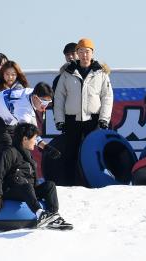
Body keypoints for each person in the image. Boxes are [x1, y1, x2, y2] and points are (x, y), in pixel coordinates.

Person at [0, 123, 72, 230]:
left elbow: (31, 179)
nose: (35, 143)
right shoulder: (8, 152)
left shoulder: (28, 155)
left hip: (25, 190)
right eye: (34, 139)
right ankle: (40, 214)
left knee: (50, 185)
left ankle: (54, 216)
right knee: (26, 186)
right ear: (25, 139)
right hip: (8, 190)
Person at [54, 38, 114, 186]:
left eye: (87, 51)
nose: (84, 55)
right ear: (77, 53)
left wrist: (104, 118)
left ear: (92, 53)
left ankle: (92, 183)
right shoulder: (67, 73)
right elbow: (59, 97)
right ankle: (68, 185)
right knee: (70, 153)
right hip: (71, 119)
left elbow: (107, 97)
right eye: (81, 51)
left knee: (92, 153)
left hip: (93, 119)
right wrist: (59, 120)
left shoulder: (100, 73)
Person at [0, 83, 60, 160]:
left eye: (48, 102)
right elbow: (30, 135)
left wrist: (46, 147)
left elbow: (33, 132)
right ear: (35, 97)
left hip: (4, 114)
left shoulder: (32, 93)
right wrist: (47, 148)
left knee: (19, 148)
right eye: (44, 102)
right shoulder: (23, 110)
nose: (45, 106)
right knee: (8, 146)